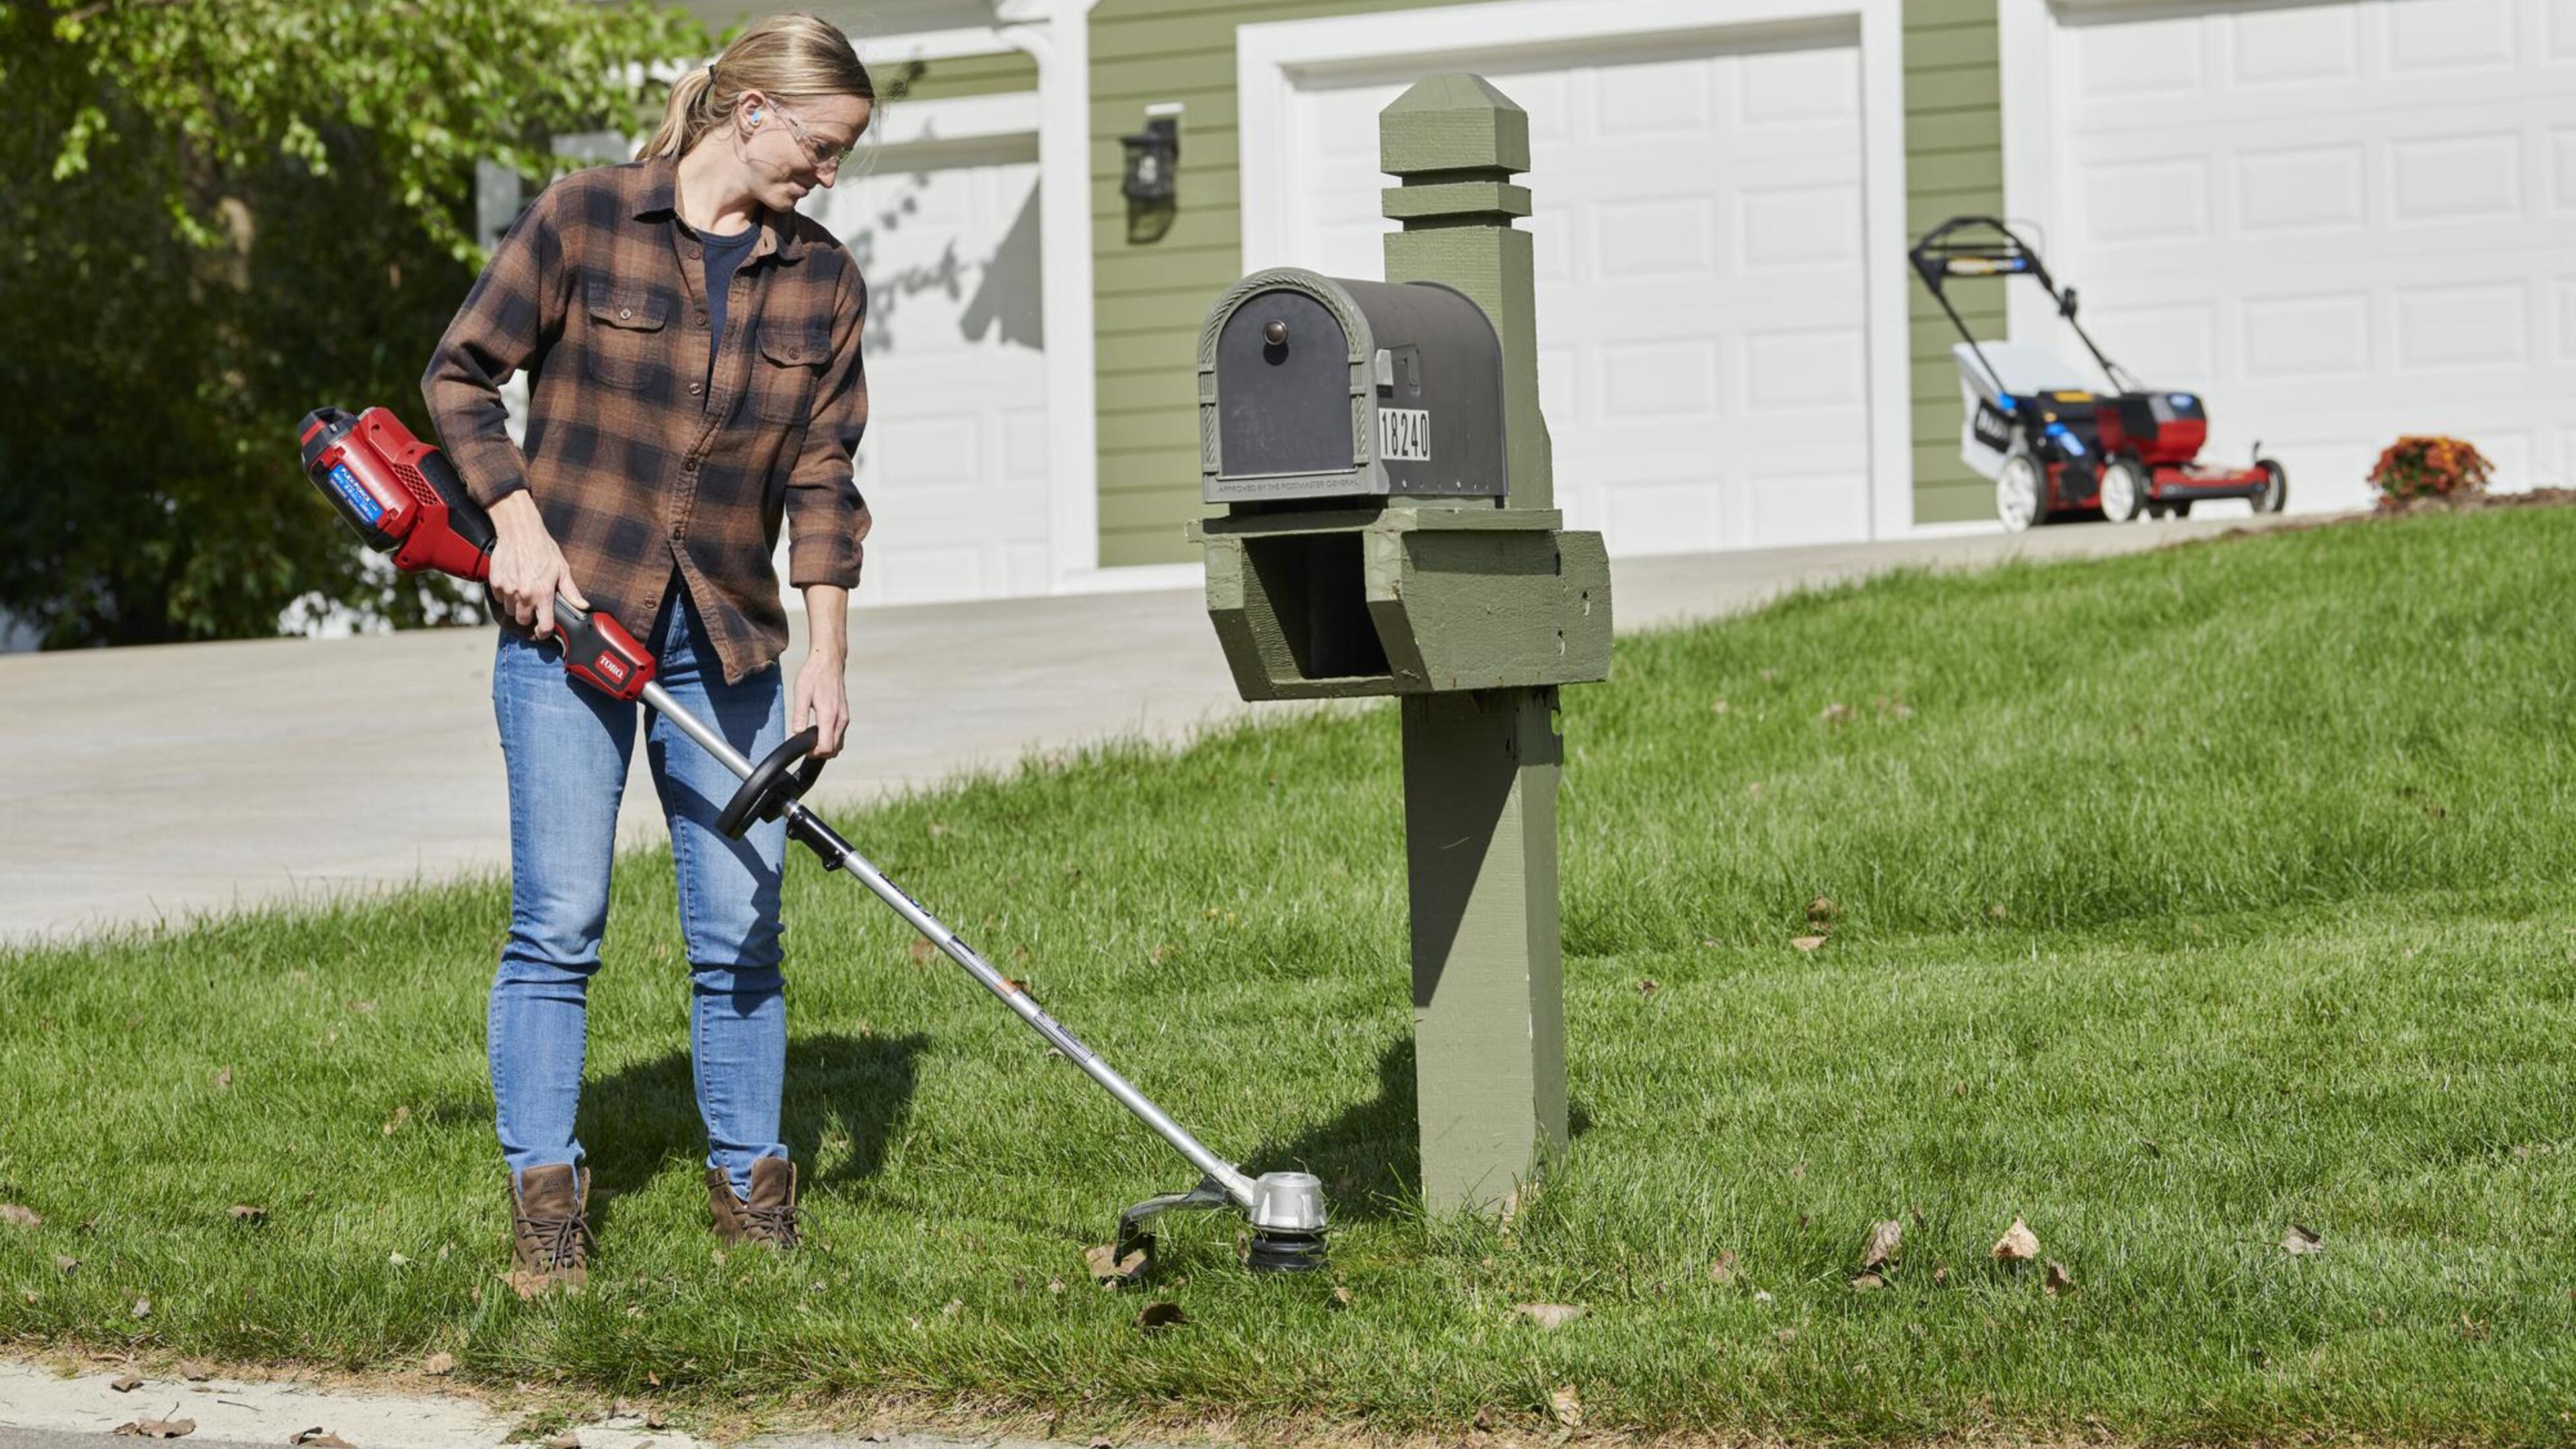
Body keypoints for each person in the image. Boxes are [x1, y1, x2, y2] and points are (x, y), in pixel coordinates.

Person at [421, 12, 875, 1291]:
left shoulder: (823, 279)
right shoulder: (583, 217)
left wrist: (826, 658)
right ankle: (547, 1207)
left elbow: (827, 478)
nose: (827, 175)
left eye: (842, 155)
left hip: (723, 641)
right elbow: (460, 375)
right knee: (561, 919)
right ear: (752, 114)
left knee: (742, 924)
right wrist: (513, 521)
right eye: (821, 147)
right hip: (568, 622)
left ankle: (751, 1194)